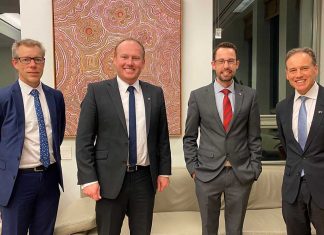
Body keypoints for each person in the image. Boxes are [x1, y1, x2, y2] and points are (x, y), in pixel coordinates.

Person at [76, 38, 172, 235]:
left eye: (136, 58)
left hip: (144, 180)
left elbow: (162, 136)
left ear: (143, 63)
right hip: (108, 180)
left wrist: (164, 171)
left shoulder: (155, 93)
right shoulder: (97, 91)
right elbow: (84, 139)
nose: (130, 62)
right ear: (114, 60)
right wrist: (88, 179)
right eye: (125, 57)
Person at [183, 41, 262, 235]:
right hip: (207, 174)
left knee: (235, 230)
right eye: (221, 61)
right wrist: (194, 169)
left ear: (237, 64)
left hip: (240, 174)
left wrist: (254, 169)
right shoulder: (198, 96)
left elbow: (255, 137)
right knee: (208, 229)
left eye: (230, 61)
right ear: (213, 64)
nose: (226, 66)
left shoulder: (250, 96)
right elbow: (190, 137)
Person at [0, 39, 66, 235]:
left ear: (44, 62)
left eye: (38, 59)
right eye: (26, 59)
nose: (32, 65)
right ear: (15, 63)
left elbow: (58, 133)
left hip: (49, 177)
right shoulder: (3, 98)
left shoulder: (55, 96)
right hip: (16, 181)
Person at [276, 47, 324, 235]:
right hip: (292, 190)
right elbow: (288, 147)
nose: (299, 75)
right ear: (287, 75)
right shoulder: (282, 108)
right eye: (293, 70)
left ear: (315, 69)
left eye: (304, 68)